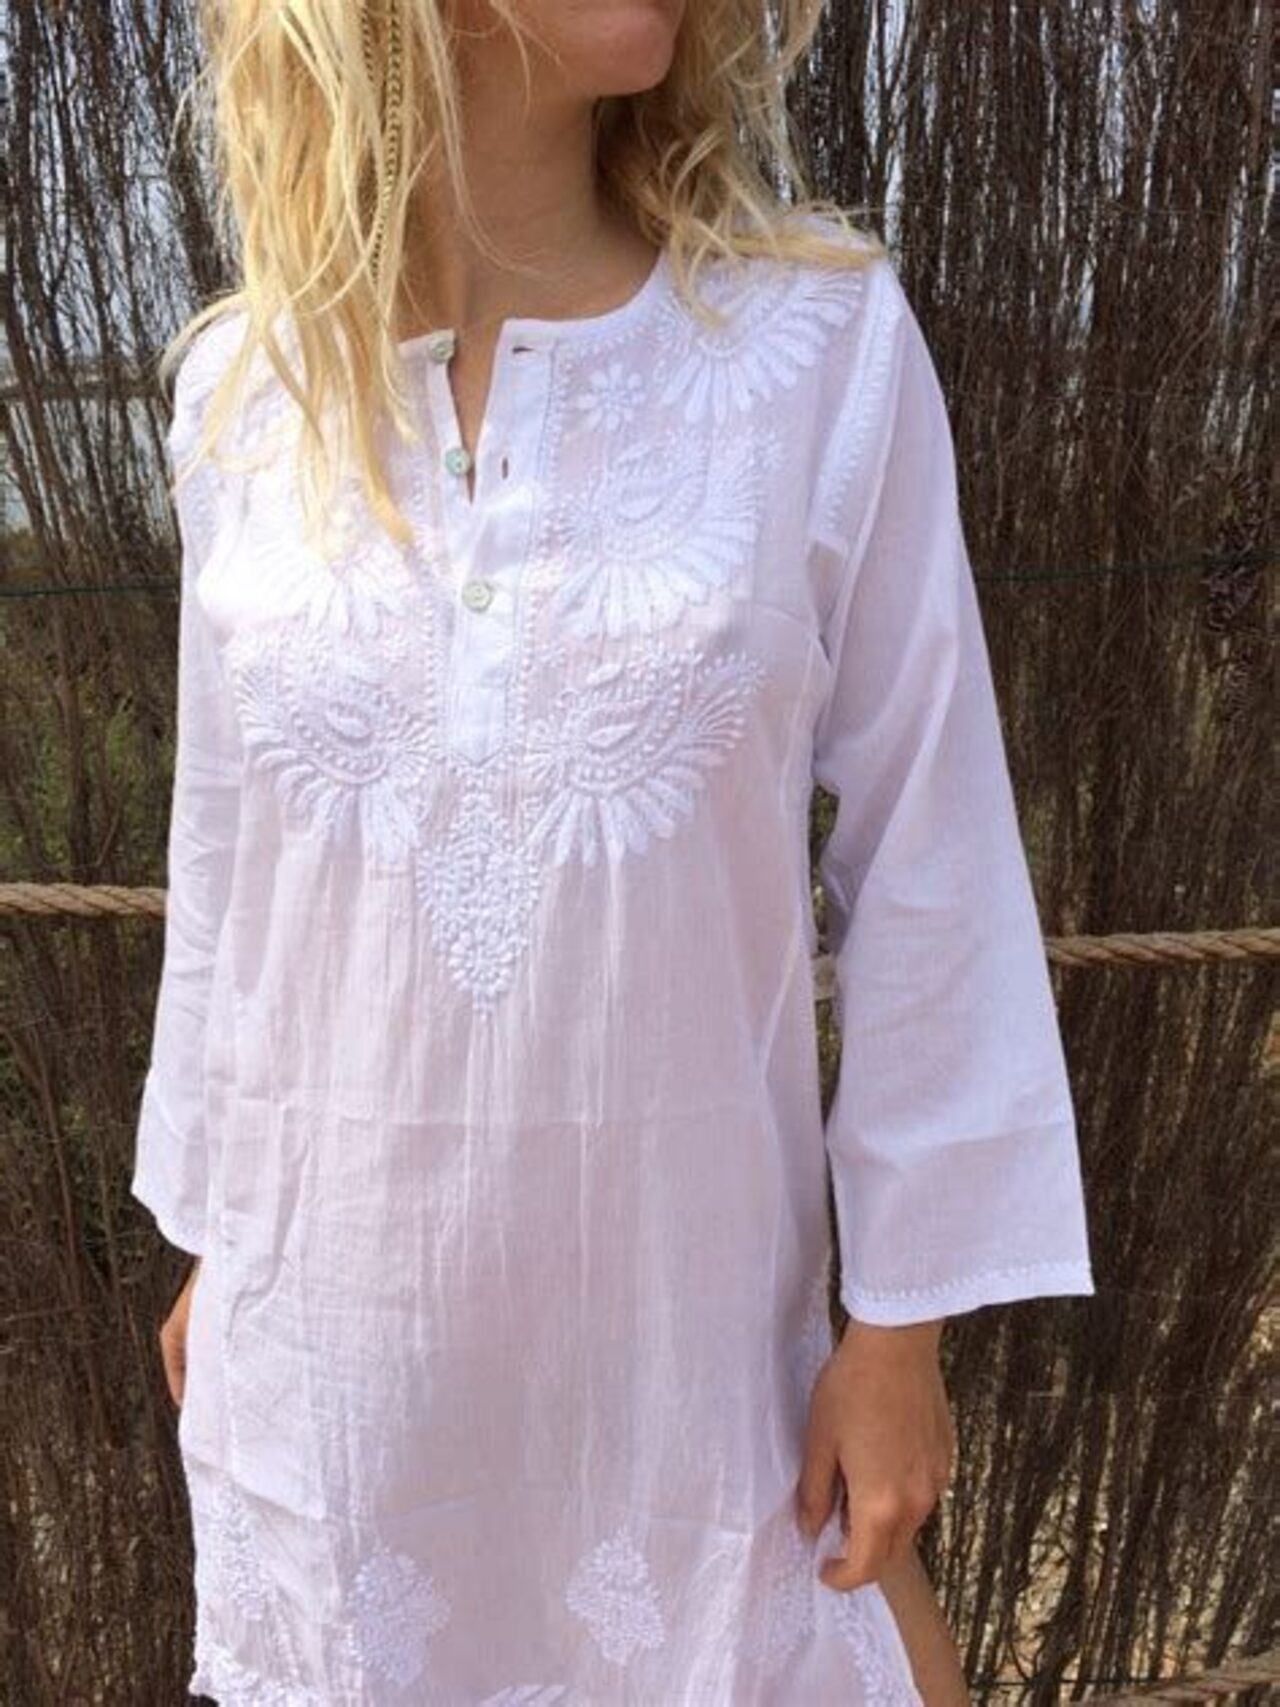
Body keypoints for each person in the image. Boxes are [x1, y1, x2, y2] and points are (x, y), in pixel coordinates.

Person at [134, 1, 1096, 1701]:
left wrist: (899, 1330)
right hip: (338, 1385)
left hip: (694, 1384)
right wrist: (217, 1235)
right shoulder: (246, 397)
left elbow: (932, 851)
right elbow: (228, 876)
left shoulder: (813, 349)